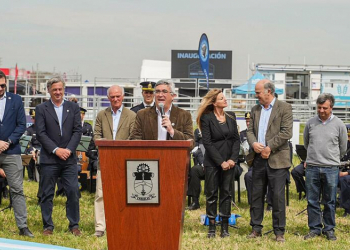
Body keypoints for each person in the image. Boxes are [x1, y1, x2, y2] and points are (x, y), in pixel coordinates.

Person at [246, 79, 293, 243]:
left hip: (277, 160)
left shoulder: (284, 108)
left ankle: (279, 232)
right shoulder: (255, 109)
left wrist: (269, 147)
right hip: (258, 159)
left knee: (278, 197)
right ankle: (256, 228)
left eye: (258, 92)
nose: (256, 95)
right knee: (256, 195)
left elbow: (286, 133)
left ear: (269, 92)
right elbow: (249, 131)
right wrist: (254, 143)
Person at [35, 76, 82, 236]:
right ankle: (48, 226)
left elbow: (77, 131)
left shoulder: (73, 107)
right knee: (47, 193)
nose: (57, 92)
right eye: (54, 89)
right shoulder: (41, 109)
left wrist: (68, 149)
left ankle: (74, 225)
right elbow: (40, 133)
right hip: (50, 159)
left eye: (60, 89)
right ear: (49, 90)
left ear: (64, 89)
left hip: (69, 159)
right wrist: (56, 149)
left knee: (73, 192)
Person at [303, 93, 347, 241]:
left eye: (325, 108)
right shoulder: (310, 123)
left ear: (331, 107)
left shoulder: (339, 125)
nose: (321, 111)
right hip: (312, 167)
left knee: (330, 200)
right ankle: (315, 228)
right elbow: (306, 143)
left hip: (331, 168)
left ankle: (329, 229)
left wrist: (332, 159)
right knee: (312, 200)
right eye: (319, 108)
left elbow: (343, 147)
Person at [197, 89, 240, 238]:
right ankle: (212, 227)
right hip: (213, 162)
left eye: (224, 98)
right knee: (212, 194)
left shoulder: (231, 116)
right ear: (214, 103)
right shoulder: (206, 118)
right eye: (222, 98)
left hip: (229, 162)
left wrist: (232, 159)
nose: (225, 100)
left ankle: (225, 227)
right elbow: (207, 143)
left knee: (226, 194)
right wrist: (220, 161)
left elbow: (236, 139)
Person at [93, 85, 136, 237]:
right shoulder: (101, 115)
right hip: (104, 161)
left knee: (124, 194)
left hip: (125, 162)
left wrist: (119, 151)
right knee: (100, 194)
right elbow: (96, 136)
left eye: (118, 96)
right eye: (112, 97)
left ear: (123, 97)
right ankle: (100, 227)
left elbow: (133, 137)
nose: (115, 99)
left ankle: (121, 224)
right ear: (108, 98)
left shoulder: (131, 115)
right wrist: (106, 146)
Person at [0, 70, 34, 237]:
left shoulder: (16, 100)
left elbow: (21, 125)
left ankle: (23, 226)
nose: (0, 88)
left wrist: (8, 142)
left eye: (2, 85)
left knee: (17, 189)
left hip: (11, 150)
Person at [187, 128, 205, 210]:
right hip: (203, 165)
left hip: (217, 164)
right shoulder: (199, 132)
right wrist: (203, 163)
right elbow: (197, 150)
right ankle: (195, 201)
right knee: (194, 170)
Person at [25, 109, 40, 182]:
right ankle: (30, 177)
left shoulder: (45, 129)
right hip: (33, 148)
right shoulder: (29, 130)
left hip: (42, 149)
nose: (35, 120)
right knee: (29, 155)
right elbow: (28, 142)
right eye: (33, 118)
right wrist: (32, 150)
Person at [339, 125, 350, 217]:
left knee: (344, 179)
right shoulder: (346, 144)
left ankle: (347, 208)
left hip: (347, 173)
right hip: (343, 170)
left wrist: (347, 173)